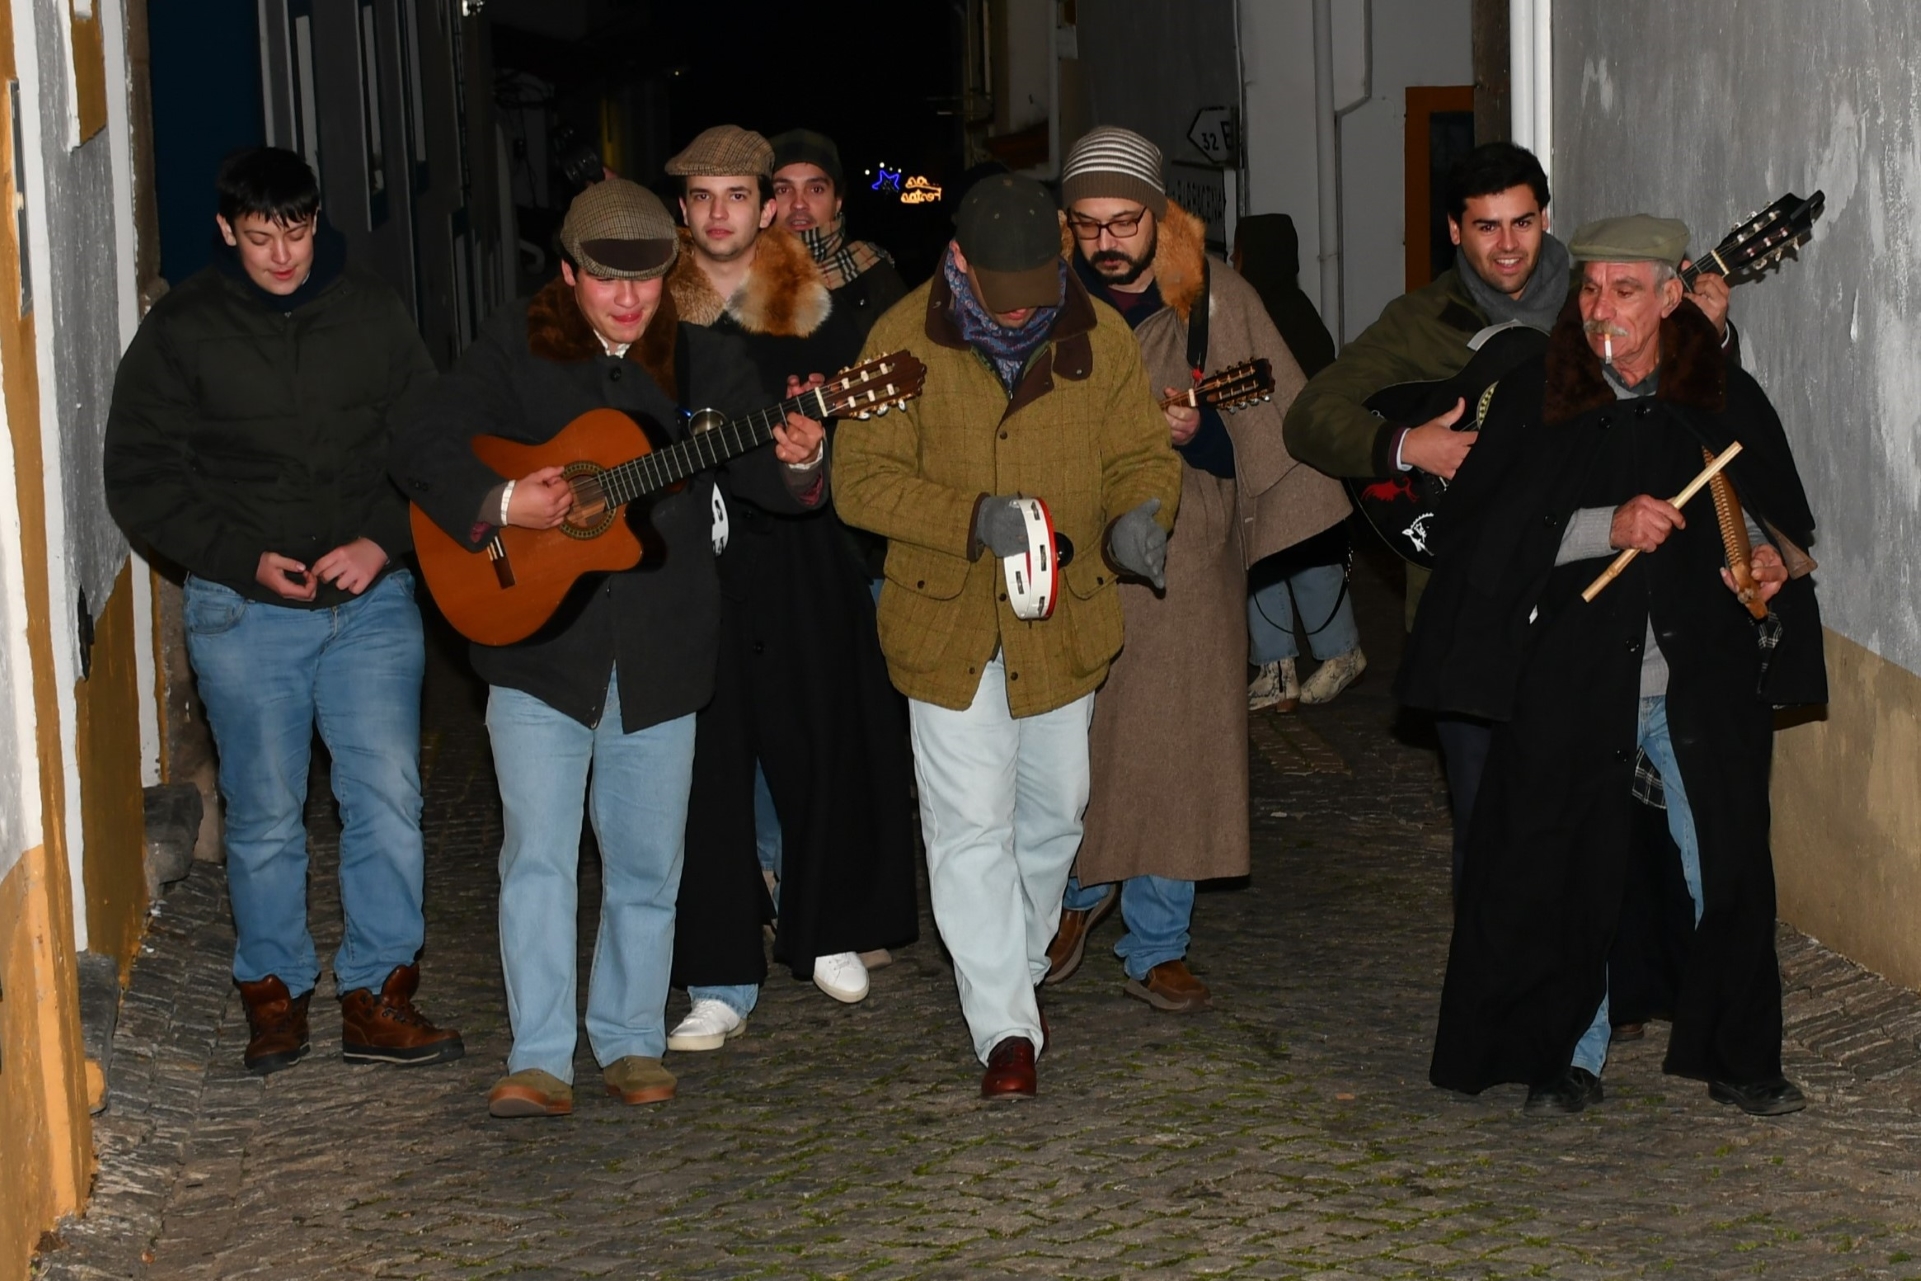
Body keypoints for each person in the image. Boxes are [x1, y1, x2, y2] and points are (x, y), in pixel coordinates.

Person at [390, 177, 827, 1117]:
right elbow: (418, 435)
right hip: (539, 650)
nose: (629, 302)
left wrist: (798, 459)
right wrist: (507, 502)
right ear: (567, 272)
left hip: (663, 651)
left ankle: (628, 1035)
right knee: (537, 858)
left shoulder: (705, 361)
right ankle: (540, 1054)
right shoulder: (514, 347)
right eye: (605, 282)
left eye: (648, 281)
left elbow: (765, 477)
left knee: (645, 862)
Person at [1399, 215, 1825, 1117]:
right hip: (1570, 681)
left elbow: (1763, 514)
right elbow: (1484, 537)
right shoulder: (1535, 395)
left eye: (1624, 290)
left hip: (1693, 682)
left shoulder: (1715, 393)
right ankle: (1567, 1054)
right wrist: (1605, 528)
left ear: (1671, 296)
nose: (1601, 309)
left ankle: (1740, 1054)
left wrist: (1766, 560)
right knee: (1566, 869)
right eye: (1589, 289)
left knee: (1728, 863)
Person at [1283, 143, 1732, 886]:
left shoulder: (1595, 300)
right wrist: (1406, 443)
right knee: (1490, 837)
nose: (1507, 244)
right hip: (1472, 615)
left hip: (1587, 609)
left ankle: (1609, 988)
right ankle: (1493, 1000)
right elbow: (1308, 415)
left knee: (1598, 837)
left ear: (1545, 218)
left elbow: (1680, 410)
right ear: (1454, 231)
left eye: (1522, 222)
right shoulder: (1421, 320)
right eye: (1485, 227)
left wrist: (1710, 336)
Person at [103, 146, 461, 1077]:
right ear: (227, 232)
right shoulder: (184, 328)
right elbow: (139, 477)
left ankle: (381, 991)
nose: (282, 254)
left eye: (295, 231)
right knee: (263, 812)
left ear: (316, 220)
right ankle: (274, 993)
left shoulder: (373, 315)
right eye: (260, 237)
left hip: (370, 602)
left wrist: (384, 538)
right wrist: (238, 558)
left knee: (387, 797)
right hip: (243, 611)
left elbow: (431, 442)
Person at [834, 173, 1183, 1098]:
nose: (1030, 304)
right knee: (967, 826)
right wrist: (969, 517)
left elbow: (1140, 454)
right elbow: (857, 483)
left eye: (1041, 279)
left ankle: (1014, 966)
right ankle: (1004, 1032)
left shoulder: (1094, 333)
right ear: (959, 262)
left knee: (1057, 809)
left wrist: (1139, 515)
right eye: (1008, 287)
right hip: (942, 618)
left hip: (1060, 617)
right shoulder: (899, 337)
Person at [1044, 128, 1349, 1012]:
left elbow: (1264, 422)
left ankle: (1156, 941)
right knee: (1077, 738)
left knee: (1180, 734)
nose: (1107, 240)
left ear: (1160, 217)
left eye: (1124, 220)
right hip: (1070, 543)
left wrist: (1199, 432)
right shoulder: (1045, 300)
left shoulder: (1214, 301)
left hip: (1186, 542)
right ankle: (1071, 894)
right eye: (1088, 223)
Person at [660, 125, 918, 1054]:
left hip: (802, 549)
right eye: (702, 197)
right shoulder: (650, 307)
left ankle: (827, 927)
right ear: (682, 210)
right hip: (685, 562)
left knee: (822, 738)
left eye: (738, 196)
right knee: (709, 765)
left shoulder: (820, 307)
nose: (720, 213)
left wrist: (822, 443)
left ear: (768, 206)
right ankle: (720, 976)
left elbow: (878, 433)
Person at [1230, 213, 1362, 713]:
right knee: (1287, 556)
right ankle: (1292, 663)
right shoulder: (1294, 311)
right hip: (1292, 457)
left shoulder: (1269, 315)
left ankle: (1315, 657)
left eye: (1240, 252)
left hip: (1286, 457)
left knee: (1285, 556)